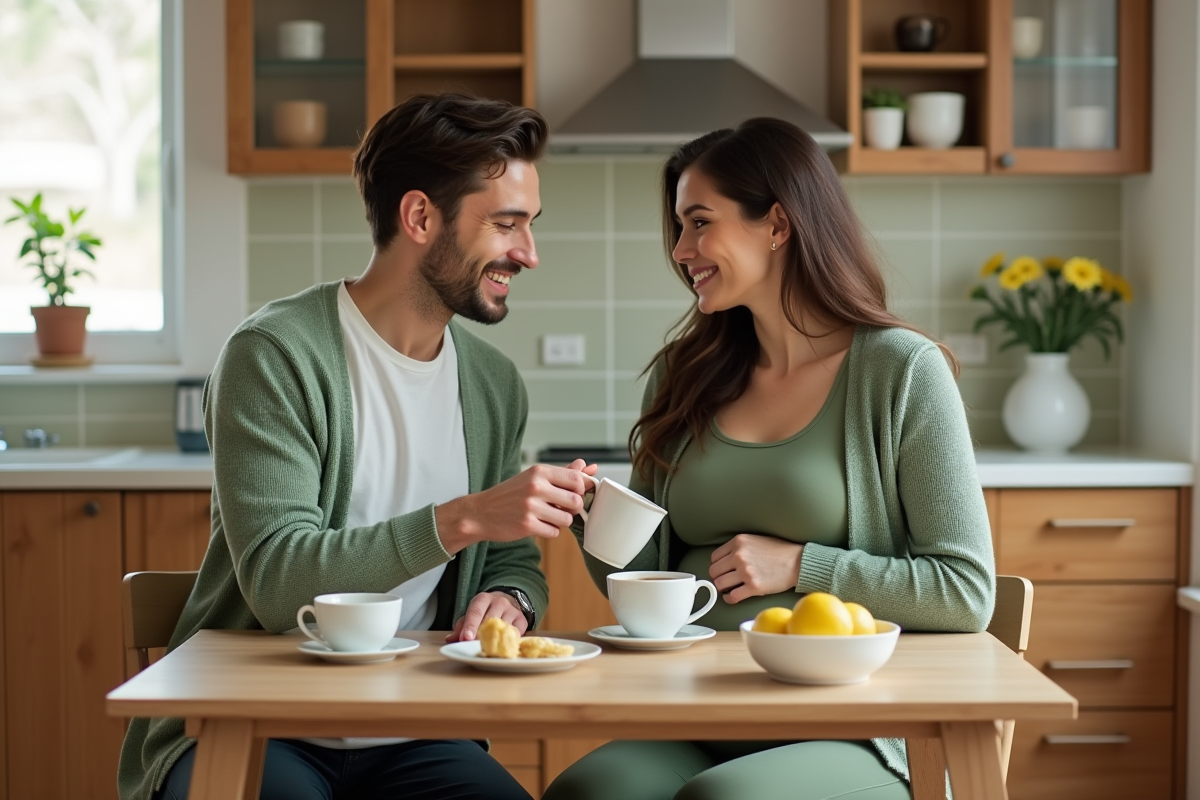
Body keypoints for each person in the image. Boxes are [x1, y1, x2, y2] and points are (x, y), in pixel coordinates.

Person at [117, 93, 597, 800]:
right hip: (256, 721)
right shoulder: (277, 355)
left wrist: (509, 598)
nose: (527, 253)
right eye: (506, 224)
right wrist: (463, 518)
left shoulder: (492, 384)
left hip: (416, 729)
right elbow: (281, 586)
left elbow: (512, 560)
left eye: (529, 226)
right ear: (420, 217)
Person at [543, 117, 996, 800]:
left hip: (852, 728)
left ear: (777, 225)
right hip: (692, 713)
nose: (680, 249)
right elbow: (644, 583)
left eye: (699, 223)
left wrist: (801, 564)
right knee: (591, 793)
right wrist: (591, 519)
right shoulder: (685, 374)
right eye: (677, 227)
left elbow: (965, 591)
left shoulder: (900, 372)